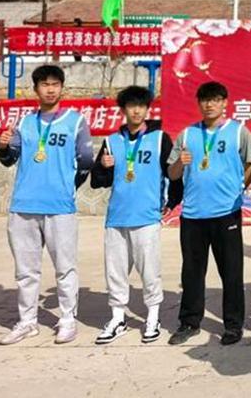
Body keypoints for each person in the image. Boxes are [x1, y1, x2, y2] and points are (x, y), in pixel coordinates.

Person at [0, 65, 93, 345]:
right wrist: (3, 146)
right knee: (26, 271)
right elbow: (9, 159)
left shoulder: (76, 122)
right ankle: (27, 322)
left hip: (59, 208)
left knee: (65, 267)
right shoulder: (25, 123)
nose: (50, 89)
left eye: (55, 84)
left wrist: (66, 189)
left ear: (62, 87)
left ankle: (67, 320)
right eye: (44, 84)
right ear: (35, 89)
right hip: (23, 206)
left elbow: (86, 161)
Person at [167, 81, 251, 346]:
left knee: (231, 272)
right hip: (193, 215)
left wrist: (239, 188)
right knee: (192, 273)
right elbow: (172, 173)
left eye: (215, 100)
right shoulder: (187, 135)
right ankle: (189, 322)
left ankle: (233, 325)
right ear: (199, 104)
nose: (210, 105)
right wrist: (179, 163)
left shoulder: (239, 132)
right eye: (205, 100)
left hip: (226, 213)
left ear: (224, 103)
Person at [90, 86, 181, 345]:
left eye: (141, 105)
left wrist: (172, 201)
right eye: (131, 106)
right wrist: (103, 167)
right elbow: (97, 181)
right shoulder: (112, 141)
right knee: (115, 272)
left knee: (149, 271)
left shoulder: (160, 139)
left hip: (146, 217)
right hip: (117, 218)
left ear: (148, 109)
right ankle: (117, 318)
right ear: (123, 110)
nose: (137, 111)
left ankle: (153, 317)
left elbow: (173, 173)